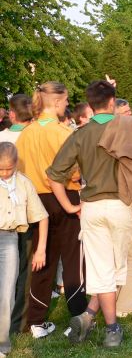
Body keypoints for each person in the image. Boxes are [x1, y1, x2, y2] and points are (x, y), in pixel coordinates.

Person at [47, 80, 132, 347]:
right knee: (113, 271)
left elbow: (54, 176)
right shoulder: (130, 130)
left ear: (90, 105)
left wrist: (69, 206)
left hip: (91, 207)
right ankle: (112, 329)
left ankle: (88, 315)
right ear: (112, 103)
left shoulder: (80, 133)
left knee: (103, 270)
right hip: (122, 206)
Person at [15, 82, 87, 339]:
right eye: (66, 100)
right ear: (57, 102)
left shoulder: (26, 134)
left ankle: (35, 320)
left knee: (41, 260)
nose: (67, 105)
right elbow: (76, 169)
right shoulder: (63, 132)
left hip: (35, 201)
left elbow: (19, 171)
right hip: (65, 196)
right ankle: (78, 316)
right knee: (72, 260)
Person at [0, 142, 48, 357]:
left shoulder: (24, 184)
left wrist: (41, 250)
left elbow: (42, 216)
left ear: (16, 164)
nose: (4, 173)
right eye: (0, 168)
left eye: (8, 168)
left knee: (7, 293)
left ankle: (2, 343)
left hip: (9, 239)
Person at [0, 95, 34, 335]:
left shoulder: (2, 138)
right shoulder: (34, 137)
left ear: (12, 114)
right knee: (25, 267)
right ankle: (18, 321)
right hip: (28, 206)